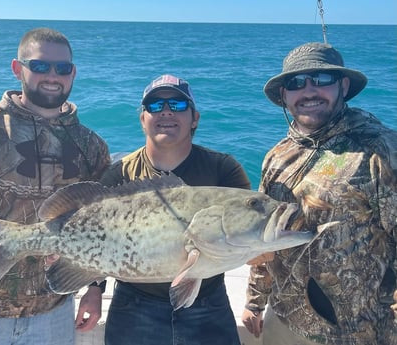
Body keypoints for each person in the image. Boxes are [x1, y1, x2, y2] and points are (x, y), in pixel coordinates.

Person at [0, 28, 110, 345]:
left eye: (63, 68)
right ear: (18, 69)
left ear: (73, 74)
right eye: (40, 66)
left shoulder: (92, 146)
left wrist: (95, 288)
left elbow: (102, 227)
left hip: (55, 313)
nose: (52, 76)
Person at [241, 42, 397, 345]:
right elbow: (265, 236)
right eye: (296, 83)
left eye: (321, 79)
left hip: (359, 331)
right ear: (285, 95)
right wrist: (254, 300)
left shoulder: (380, 149)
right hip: (284, 319)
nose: (309, 91)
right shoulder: (277, 156)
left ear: (343, 85)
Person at [99, 74, 251, 345]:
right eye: (155, 106)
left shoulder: (223, 169)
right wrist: (92, 290)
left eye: (178, 105)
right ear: (142, 119)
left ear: (195, 118)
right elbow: (93, 234)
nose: (166, 111)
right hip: (133, 306)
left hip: (208, 304)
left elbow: (248, 231)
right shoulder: (119, 174)